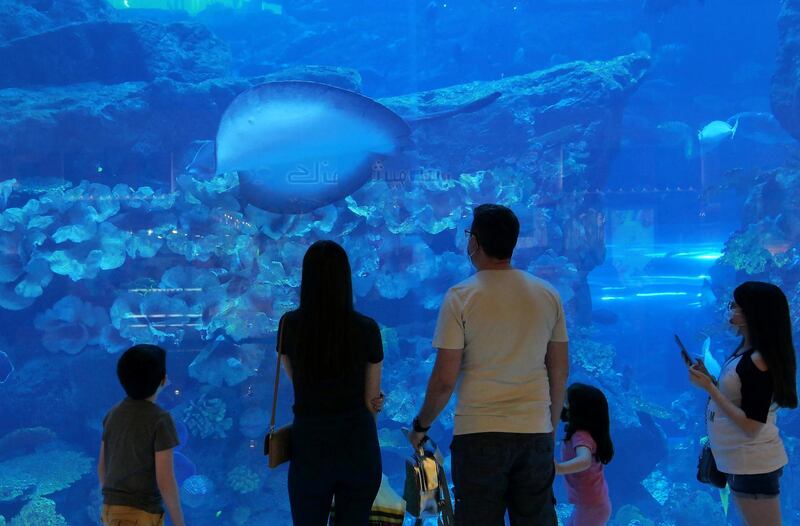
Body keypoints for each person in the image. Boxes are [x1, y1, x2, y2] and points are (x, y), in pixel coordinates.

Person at [407, 204, 570, 526]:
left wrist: (421, 426)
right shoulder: (548, 294)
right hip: (534, 430)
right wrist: (548, 428)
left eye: (469, 233)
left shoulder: (460, 297)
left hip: (479, 435)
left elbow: (443, 379)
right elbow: (559, 371)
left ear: (475, 243)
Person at [277, 240, 384, 526]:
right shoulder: (367, 328)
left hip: (310, 444)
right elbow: (371, 398)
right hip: (357, 444)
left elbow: (295, 377)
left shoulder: (289, 324)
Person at [688, 281, 797, 526]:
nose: (728, 310)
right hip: (739, 461)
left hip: (753, 463)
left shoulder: (758, 361)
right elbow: (736, 398)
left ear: (753, 313)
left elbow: (751, 425)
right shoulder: (744, 352)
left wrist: (709, 388)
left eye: (734, 305)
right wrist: (711, 381)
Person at [98, 344, 185, 526]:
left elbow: (102, 467)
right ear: (162, 379)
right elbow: (165, 479)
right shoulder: (160, 419)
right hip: (141, 513)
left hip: (111, 511)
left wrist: (112, 504)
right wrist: (179, 522)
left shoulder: (112, 414)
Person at [555, 383, 613, 526]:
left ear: (578, 410)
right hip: (590, 503)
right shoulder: (584, 433)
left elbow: (584, 460)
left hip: (591, 506)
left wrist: (559, 468)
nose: (563, 405)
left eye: (567, 402)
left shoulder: (581, 436)